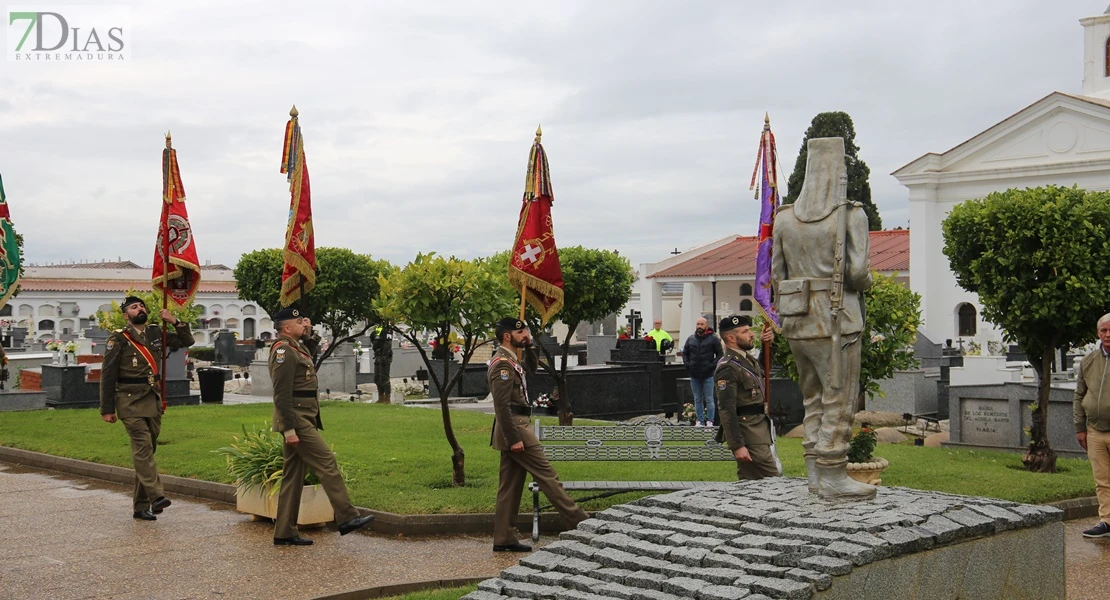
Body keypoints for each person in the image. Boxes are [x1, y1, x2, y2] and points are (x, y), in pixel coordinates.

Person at [772, 136, 874, 500]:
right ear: (839, 169)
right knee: (840, 397)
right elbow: (858, 273)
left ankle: (814, 472)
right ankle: (832, 471)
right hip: (837, 320)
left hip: (797, 320)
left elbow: (776, 275)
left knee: (812, 398)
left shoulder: (784, 219)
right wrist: (868, 283)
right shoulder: (850, 214)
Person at [268, 307, 374, 546]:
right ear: (285, 327)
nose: (302, 323)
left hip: (304, 416)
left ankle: (284, 532)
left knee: (293, 476)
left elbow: (309, 356)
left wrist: (309, 332)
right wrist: (289, 429)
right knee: (327, 461)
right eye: (298, 321)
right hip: (296, 418)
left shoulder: (295, 347)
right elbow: (281, 393)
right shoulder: (283, 350)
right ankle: (347, 517)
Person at [488, 317, 587, 552]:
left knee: (509, 488)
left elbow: (531, 370)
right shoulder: (502, 364)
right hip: (516, 429)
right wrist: (514, 440)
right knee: (548, 477)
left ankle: (503, 537)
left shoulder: (512, 360)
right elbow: (501, 407)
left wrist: (530, 346)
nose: (525, 335)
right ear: (506, 336)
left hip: (517, 426)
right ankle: (581, 524)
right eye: (520, 333)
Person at [99, 295, 194, 520]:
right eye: (134, 307)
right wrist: (107, 408)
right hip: (129, 400)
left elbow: (186, 341)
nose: (139, 308)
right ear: (126, 315)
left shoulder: (155, 333)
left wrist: (174, 321)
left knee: (148, 452)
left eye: (141, 305)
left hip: (152, 399)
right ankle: (156, 496)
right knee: (142, 447)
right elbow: (108, 374)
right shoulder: (119, 339)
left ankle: (140, 507)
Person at [714, 315, 781, 480]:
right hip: (748, 433)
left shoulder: (746, 359)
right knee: (772, 481)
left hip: (759, 430)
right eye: (745, 331)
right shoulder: (728, 367)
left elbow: (761, 374)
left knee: (752, 485)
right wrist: (737, 446)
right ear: (731, 338)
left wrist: (768, 346)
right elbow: (726, 409)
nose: (751, 334)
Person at [1074, 312, 1110, 538]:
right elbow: (1079, 395)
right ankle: (1106, 521)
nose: (1107, 335)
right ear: (1098, 333)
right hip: (1095, 431)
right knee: (1102, 480)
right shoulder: (1088, 361)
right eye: (1103, 330)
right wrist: (1080, 427)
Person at [682, 317, 723, 427]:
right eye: (698, 324)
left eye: (701, 324)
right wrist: (687, 364)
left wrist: (711, 366)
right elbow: (685, 352)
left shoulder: (713, 339)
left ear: (706, 326)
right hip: (694, 374)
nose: (699, 326)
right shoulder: (691, 339)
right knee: (697, 399)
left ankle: (710, 421)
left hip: (708, 374)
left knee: (709, 399)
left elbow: (720, 354)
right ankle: (699, 421)